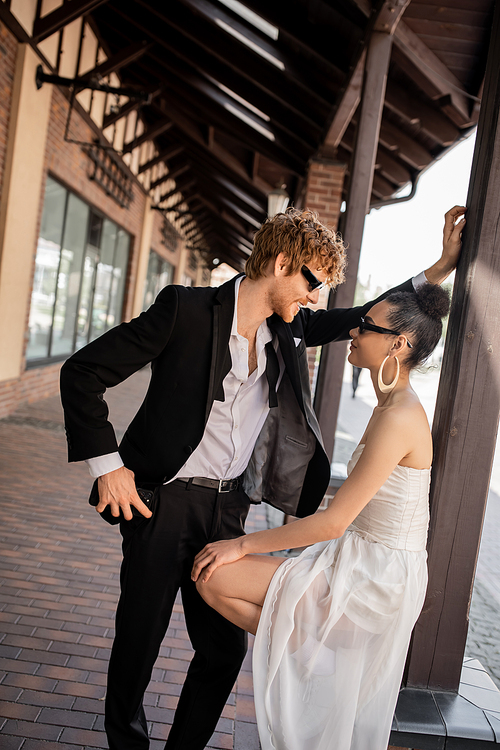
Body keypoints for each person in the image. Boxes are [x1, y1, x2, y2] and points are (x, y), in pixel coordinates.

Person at [59, 205, 465, 750]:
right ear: (279, 263)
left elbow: (372, 318)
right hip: (164, 503)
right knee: (139, 642)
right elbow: (81, 373)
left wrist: (437, 269)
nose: (316, 298)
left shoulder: (290, 325)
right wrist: (108, 468)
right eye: (313, 282)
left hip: (229, 511)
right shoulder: (184, 309)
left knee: (223, 651)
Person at [191, 282, 451, 750]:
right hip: (354, 556)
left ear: (400, 344)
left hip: (376, 578)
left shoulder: (400, 416)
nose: (354, 329)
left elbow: (335, 521)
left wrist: (243, 542)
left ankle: (318, 660)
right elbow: (341, 520)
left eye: (367, 326)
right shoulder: (388, 406)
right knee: (212, 581)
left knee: (215, 576)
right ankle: (318, 659)